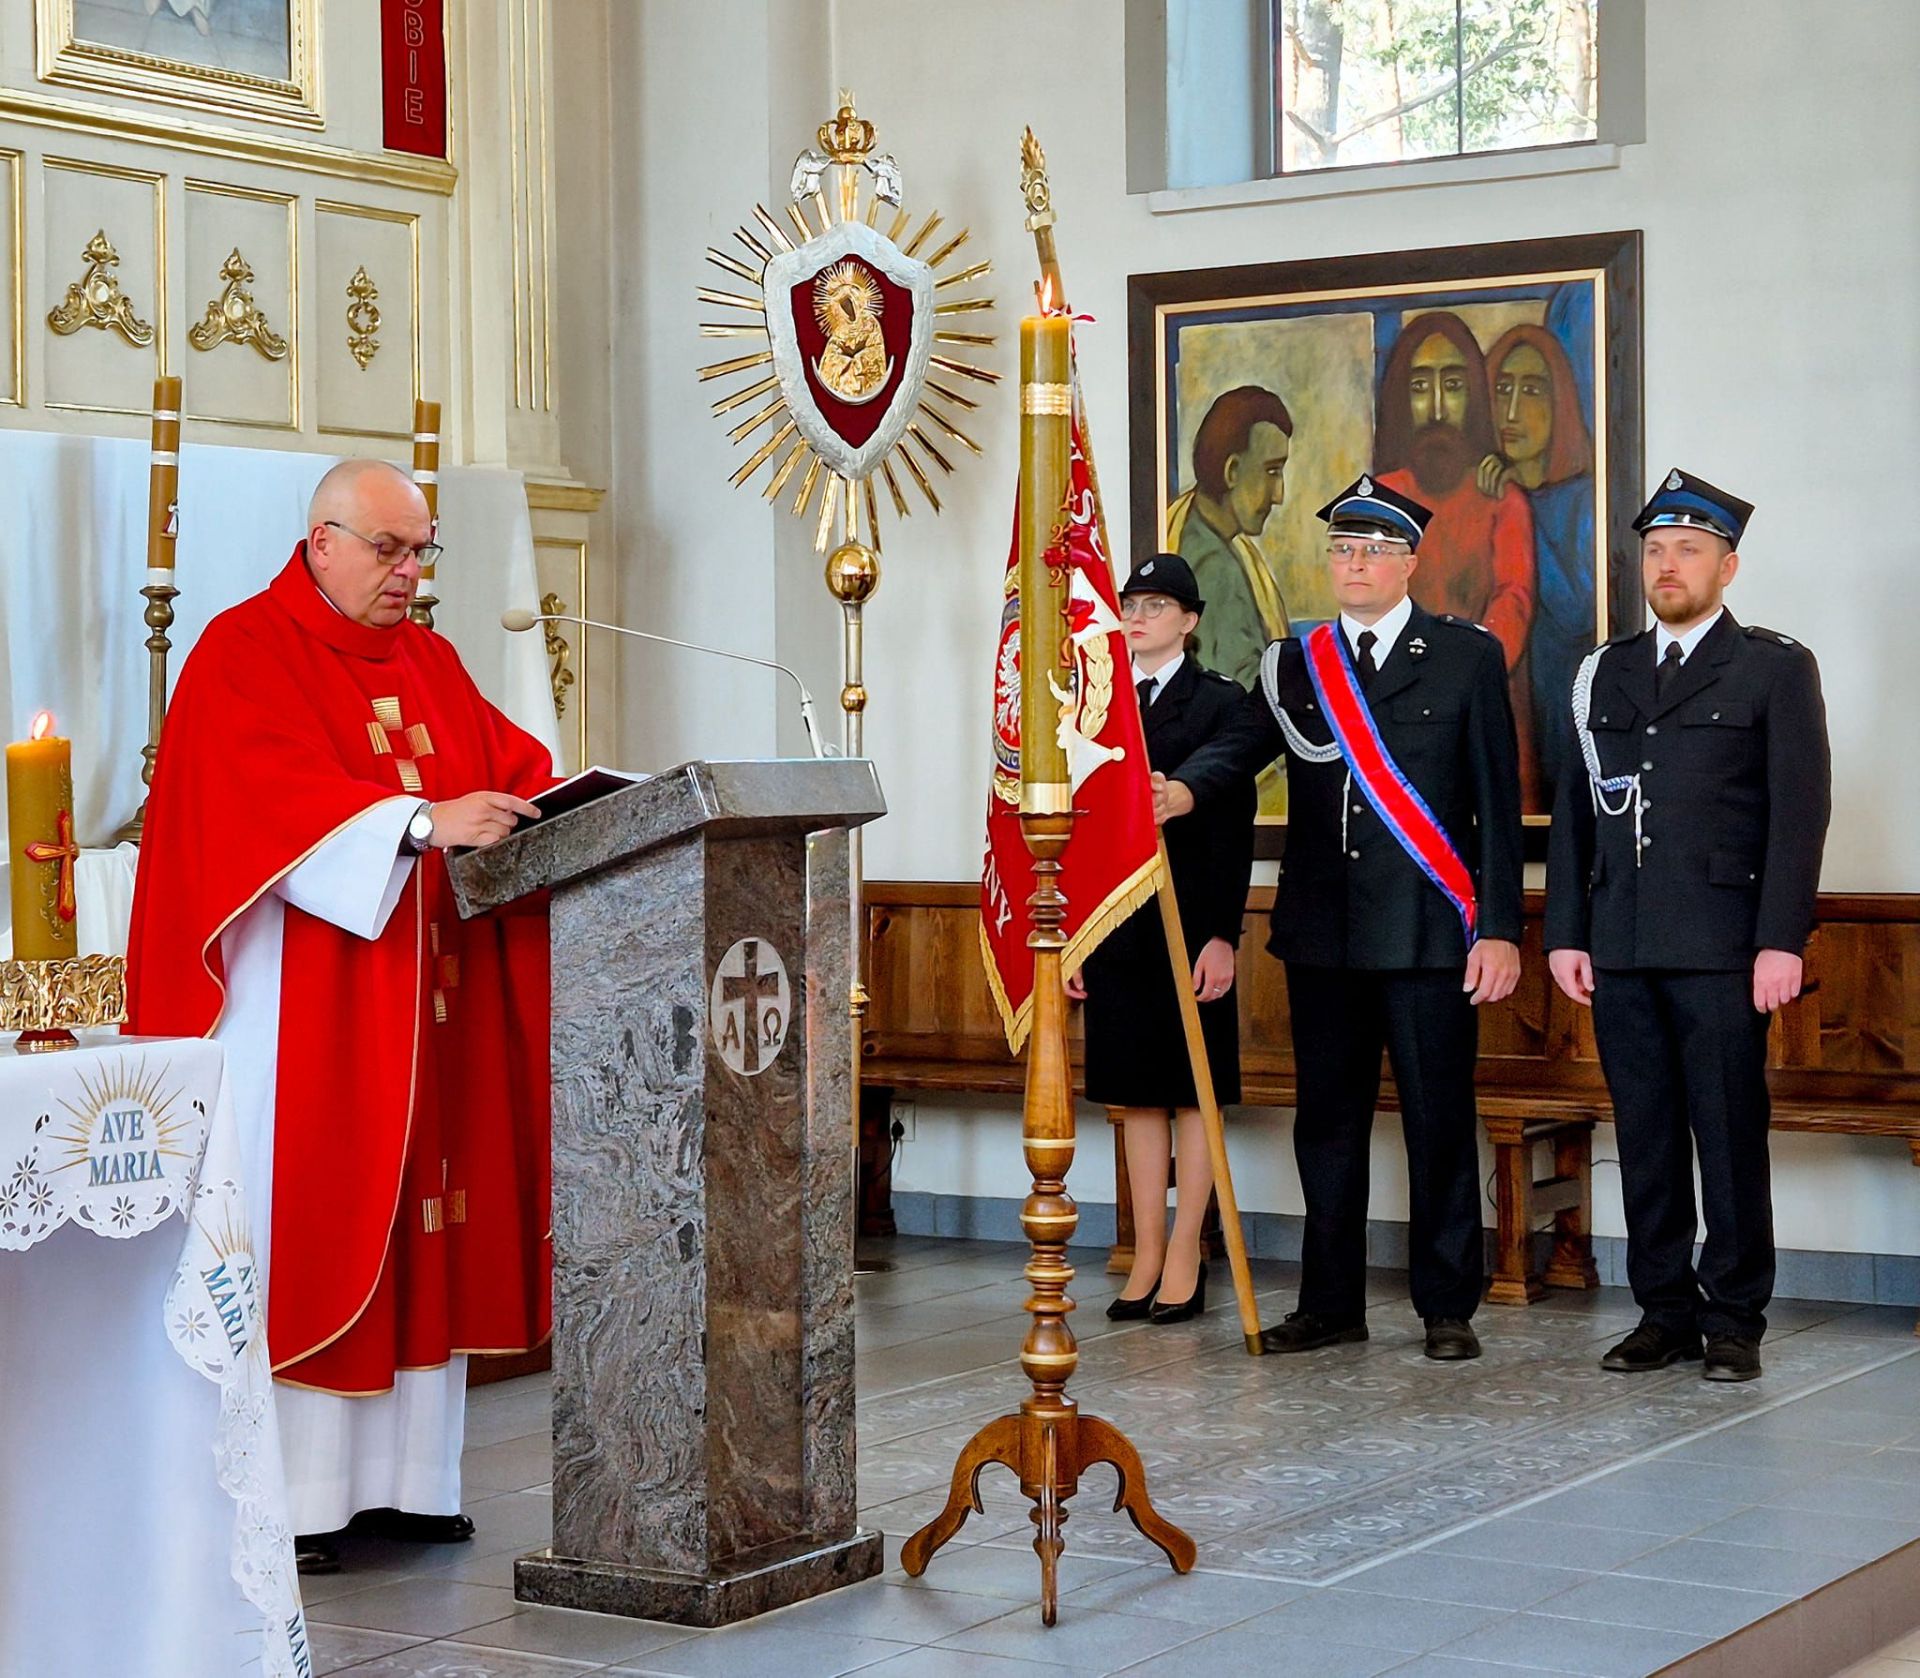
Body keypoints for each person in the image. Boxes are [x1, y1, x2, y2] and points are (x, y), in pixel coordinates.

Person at [125, 459, 556, 1573]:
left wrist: (581, 801)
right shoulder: (243, 651)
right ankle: (305, 1498)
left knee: (427, 1224)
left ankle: (414, 1484)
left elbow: (511, 771)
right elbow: (263, 799)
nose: (410, 573)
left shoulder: (430, 660)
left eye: (422, 552)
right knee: (324, 1216)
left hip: (431, 1003)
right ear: (320, 541)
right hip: (308, 1006)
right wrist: (415, 822)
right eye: (389, 549)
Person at [1157, 474, 1524, 1361]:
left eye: (1373, 551)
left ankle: (1446, 1306)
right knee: (1325, 1125)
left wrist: (1501, 928)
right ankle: (1330, 1303)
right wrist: (1184, 788)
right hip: (1323, 932)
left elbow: (1497, 805)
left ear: (1409, 563)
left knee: (1438, 1122)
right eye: (1342, 550)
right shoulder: (1296, 663)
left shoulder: (1465, 658)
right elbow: (1241, 746)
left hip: (1428, 932)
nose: (1354, 564)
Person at [1545, 468, 1831, 1383]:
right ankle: (1662, 1312)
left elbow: (1799, 814)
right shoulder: (1606, 671)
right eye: (1656, 551)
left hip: (1722, 946)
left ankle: (1734, 1318)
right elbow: (1577, 810)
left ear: (1727, 566)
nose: (1668, 565)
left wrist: (1780, 940)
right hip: (1622, 942)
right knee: (1647, 1136)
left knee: (1729, 1134)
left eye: (1689, 550)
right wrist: (1566, 931)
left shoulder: (1772, 667)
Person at [1067, 553, 1257, 1325]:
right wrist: (1077, 936)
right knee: (1137, 1094)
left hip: (1192, 922)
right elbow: (1078, 829)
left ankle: (1186, 1252)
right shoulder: (1097, 703)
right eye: (1131, 604)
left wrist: (1222, 935)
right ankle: (1145, 1252)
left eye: (1156, 605)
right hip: (1118, 924)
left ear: (1190, 620)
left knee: (1192, 1094)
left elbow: (1233, 830)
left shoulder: (1220, 702)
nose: (1138, 617)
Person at [1478, 324, 1596, 811]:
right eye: (1501, 390)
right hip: (1513, 705)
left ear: (1560, 401)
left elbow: (1577, 608)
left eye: (1531, 391)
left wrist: (1522, 505)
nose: (1511, 412)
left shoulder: (1584, 500)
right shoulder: (1488, 495)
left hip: (1566, 707)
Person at [1167, 386, 1295, 690]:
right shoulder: (1215, 569)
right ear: (1233, 471)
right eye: (1272, 471)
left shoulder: (1200, 530)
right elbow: (1244, 694)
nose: (1279, 495)